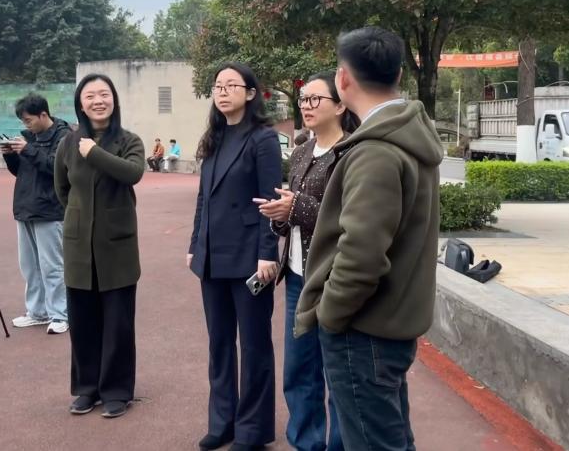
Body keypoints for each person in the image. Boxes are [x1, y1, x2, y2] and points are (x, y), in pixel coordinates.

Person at [295, 27, 443, 450]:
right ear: (399, 73)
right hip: (388, 324)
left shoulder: (376, 151)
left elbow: (361, 255)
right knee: (390, 439)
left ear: (343, 79)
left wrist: (330, 315)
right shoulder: (406, 135)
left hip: (363, 330)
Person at [258, 71, 359, 451]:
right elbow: (295, 217)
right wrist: (279, 216)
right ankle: (306, 443)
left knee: (338, 375)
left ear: (341, 104)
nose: (306, 106)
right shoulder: (301, 153)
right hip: (298, 278)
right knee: (299, 371)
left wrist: (296, 206)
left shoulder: (352, 153)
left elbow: (349, 218)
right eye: (303, 99)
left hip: (334, 279)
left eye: (316, 99)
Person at [188, 62, 282, 451]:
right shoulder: (214, 137)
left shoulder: (263, 139)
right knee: (220, 344)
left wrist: (267, 253)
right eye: (218, 86)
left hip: (249, 258)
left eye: (231, 85)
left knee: (255, 346)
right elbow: (203, 199)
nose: (223, 91)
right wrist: (195, 244)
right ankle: (222, 421)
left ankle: (252, 430)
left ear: (250, 93)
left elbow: (270, 201)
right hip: (212, 257)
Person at [54, 73, 145, 419]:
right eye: (90, 96)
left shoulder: (128, 140)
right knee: (82, 321)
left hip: (117, 246)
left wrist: (94, 152)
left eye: (104, 94)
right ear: (80, 103)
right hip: (79, 245)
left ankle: (117, 391)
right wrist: (81, 217)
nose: (98, 101)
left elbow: (132, 173)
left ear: (114, 100)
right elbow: (62, 189)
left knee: (118, 323)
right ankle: (87, 388)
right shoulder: (68, 142)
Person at [2, 93, 72, 335]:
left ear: (43, 115)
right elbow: (21, 172)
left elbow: (57, 169)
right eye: (23, 121)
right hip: (25, 207)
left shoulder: (64, 136)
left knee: (52, 266)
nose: (26, 125)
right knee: (30, 266)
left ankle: (60, 314)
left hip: (50, 210)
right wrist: (10, 155)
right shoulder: (28, 138)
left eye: (29, 120)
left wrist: (28, 150)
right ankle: (37, 312)